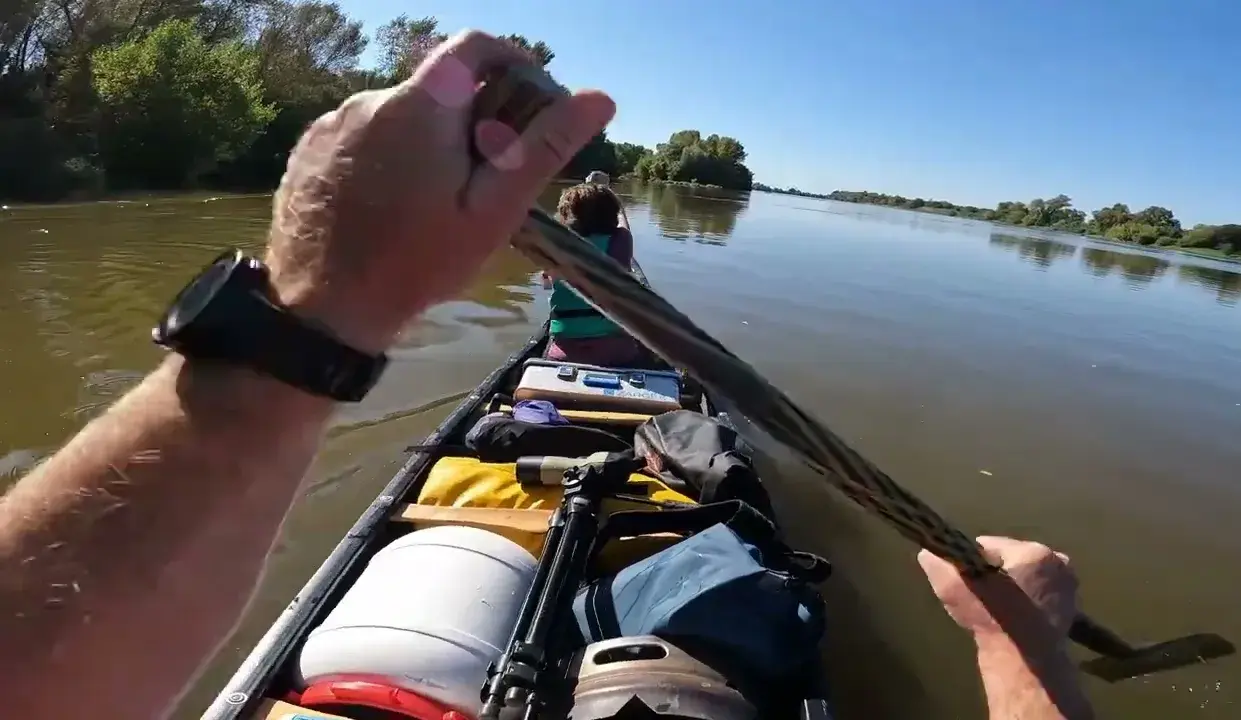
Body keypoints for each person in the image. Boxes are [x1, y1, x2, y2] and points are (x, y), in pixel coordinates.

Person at [0, 30, 1093, 720]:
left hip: (562, 372)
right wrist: (1016, 651)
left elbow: (563, 323)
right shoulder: (619, 255)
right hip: (627, 365)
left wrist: (326, 303)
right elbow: (617, 316)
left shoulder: (571, 261)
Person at [541, 181, 646, 367]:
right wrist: (617, 204)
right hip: (616, 352)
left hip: (564, 353)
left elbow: (546, 285)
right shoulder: (620, 241)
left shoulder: (553, 244)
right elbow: (623, 226)